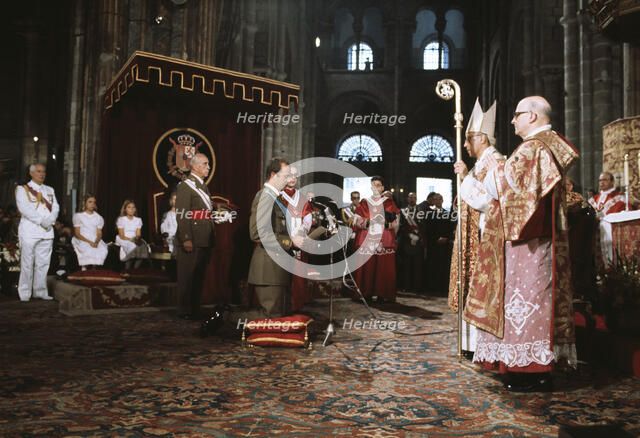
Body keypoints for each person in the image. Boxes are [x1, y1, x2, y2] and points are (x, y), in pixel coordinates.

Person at [465, 95, 579, 392]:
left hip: (528, 239)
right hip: (538, 235)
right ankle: (524, 365)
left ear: (532, 116)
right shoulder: (546, 144)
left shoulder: (534, 147)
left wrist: (487, 173)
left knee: (527, 299)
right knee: (535, 297)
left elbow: (511, 185)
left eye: (517, 114)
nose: (513, 120)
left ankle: (527, 369)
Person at [449, 98, 504, 358]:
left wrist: (465, 180)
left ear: (481, 138)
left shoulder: (495, 160)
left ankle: (479, 345)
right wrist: (467, 175)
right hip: (474, 233)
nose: (464, 144)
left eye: (468, 138)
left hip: (484, 235)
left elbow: (487, 200)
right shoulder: (481, 162)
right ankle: (472, 344)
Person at [248, 157, 302, 317]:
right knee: (272, 318)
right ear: (273, 174)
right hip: (268, 269)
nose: (288, 179)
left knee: (281, 319)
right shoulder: (265, 196)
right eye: (285, 175)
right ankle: (223, 320)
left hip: (277, 267)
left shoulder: (275, 198)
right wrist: (289, 242)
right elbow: (257, 233)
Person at [175, 153, 216, 319]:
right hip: (192, 237)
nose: (208, 167)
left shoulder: (202, 186)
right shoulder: (186, 186)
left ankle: (194, 308)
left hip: (204, 237)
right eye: (205, 164)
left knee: (198, 276)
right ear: (195, 166)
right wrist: (186, 237)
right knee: (187, 275)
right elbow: (182, 213)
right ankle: (184, 310)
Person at [352, 176, 400, 303]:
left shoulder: (389, 203)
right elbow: (356, 220)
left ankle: (382, 293)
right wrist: (370, 222)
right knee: (367, 267)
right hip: (368, 237)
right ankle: (365, 292)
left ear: (383, 187)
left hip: (384, 238)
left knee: (383, 268)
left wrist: (386, 226)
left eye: (378, 185)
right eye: (373, 185)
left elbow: (395, 222)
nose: (376, 188)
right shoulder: (364, 202)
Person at [15, 163, 59, 301]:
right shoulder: (22, 189)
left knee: (43, 263)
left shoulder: (50, 189)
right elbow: (25, 209)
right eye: (39, 171)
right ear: (31, 173)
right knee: (27, 263)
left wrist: (51, 220)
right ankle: (25, 293)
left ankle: (40, 291)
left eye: (44, 171)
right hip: (30, 231)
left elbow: (56, 207)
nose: (42, 174)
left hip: (46, 232)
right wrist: (42, 221)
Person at [280, 166, 314, 311]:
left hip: (299, 240)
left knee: (298, 273)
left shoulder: (302, 197)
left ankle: (297, 305)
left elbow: (308, 218)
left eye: (295, 176)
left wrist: (300, 233)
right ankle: (281, 304)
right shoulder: (277, 195)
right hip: (282, 239)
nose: (293, 178)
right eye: (289, 175)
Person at [587, 172, 625, 266]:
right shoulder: (594, 199)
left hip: (610, 232)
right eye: (600, 180)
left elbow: (618, 213)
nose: (601, 183)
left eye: (605, 180)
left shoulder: (619, 198)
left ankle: (610, 268)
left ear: (612, 182)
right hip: (593, 230)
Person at [423, 192, 454, 294]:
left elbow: (451, 229)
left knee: (443, 267)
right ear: (433, 201)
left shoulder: (448, 214)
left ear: (442, 200)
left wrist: (446, 238)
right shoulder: (429, 214)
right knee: (433, 267)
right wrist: (436, 238)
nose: (437, 201)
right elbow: (427, 230)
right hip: (433, 244)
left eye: (439, 199)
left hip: (444, 245)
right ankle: (433, 288)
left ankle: (443, 288)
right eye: (435, 199)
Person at [71, 194, 108, 269]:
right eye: (90, 202)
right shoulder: (78, 216)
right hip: (82, 238)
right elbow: (77, 233)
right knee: (87, 249)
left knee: (101, 249)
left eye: (94, 202)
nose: (92, 204)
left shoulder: (98, 217)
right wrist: (89, 242)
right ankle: (84, 269)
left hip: (94, 238)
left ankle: (93, 270)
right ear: (85, 203)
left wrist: (96, 242)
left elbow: (99, 233)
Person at [398, 192, 424, 293]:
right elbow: (401, 226)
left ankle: (417, 287)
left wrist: (418, 237)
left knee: (418, 266)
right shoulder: (403, 211)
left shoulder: (421, 211)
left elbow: (424, 226)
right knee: (406, 266)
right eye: (410, 197)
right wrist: (410, 235)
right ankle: (406, 286)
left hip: (418, 241)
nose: (412, 199)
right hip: (406, 241)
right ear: (407, 199)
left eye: (414, 197)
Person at [115, 200, 150, 269]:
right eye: (129, 207)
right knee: (132, 247)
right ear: (125, 209)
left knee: (143, 247)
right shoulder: (121, 219)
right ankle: (127, 269)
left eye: (133, 207)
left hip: (134, 238)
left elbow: (138, 234)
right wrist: (131, 240)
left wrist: (137, 239)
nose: (131, 209)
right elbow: (121, 235)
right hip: (124, 238)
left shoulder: (138, 220)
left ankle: (135, 270)